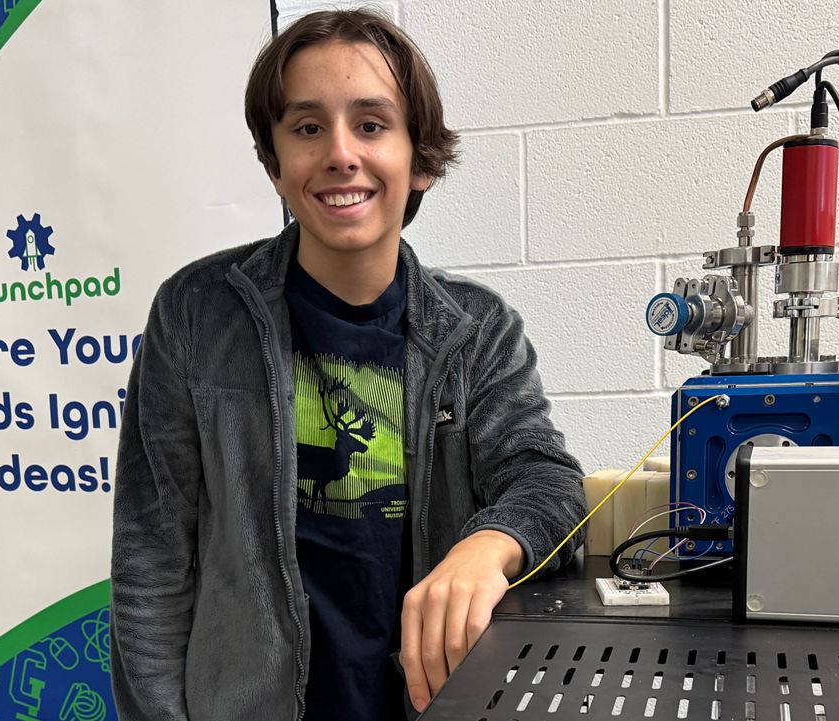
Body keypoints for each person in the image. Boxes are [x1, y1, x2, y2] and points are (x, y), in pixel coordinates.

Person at [109, 8, 587, 721]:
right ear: (274, 163)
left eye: (371, 124)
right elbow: (152, 561)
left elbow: (547, 479)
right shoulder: (193, 314)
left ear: (420, 158)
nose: (340, 153)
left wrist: (486, 546)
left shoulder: (478, 330)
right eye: (307, 128)